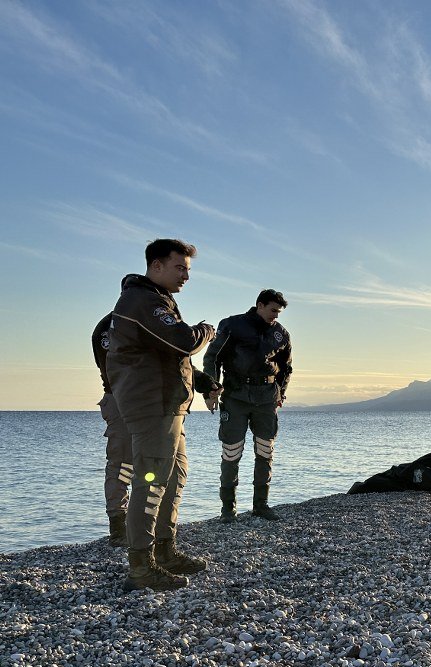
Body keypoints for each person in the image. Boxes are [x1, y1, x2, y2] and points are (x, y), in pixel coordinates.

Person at [106, 238, 221, 592]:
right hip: (152, 407)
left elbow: (169, 356)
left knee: (174, 477)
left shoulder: (156, 300)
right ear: (156, 265)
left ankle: (165, 550)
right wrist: (206, 331)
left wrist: (201, 382)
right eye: (179, 267)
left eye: (188, 269)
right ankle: (141, 567)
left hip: (169, 405)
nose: (186, 275)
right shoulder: (143, 301)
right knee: (152, 481)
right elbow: (183, 341)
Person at [202, 289, 292, 523]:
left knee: (265, 451)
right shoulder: (232, 325)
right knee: (231, 452)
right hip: (235, 396)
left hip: (267, 399)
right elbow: (212, 358)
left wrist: (281, 393)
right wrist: (211, 390)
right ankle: (227, 509)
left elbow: (286, 368)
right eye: (273, 310)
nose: (276, 316)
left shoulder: (281, 334)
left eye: (279, 312)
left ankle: (261, 505)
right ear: (260, 305)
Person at [91, 311, 131, 547]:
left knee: (153, 464)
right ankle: (118, 527)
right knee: (122, 464)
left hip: (147, 401)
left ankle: (145, 522)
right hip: (121, 399)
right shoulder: (108, 327)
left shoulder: (143, 318)